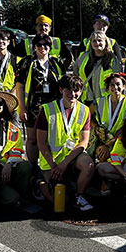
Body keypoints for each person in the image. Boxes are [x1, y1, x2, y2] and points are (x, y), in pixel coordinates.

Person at [35, 75, 94, 211]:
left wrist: (65, 163)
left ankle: (79, 196)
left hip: (71, 156)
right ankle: (39, 182)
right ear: (61, 89)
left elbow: (84, 142)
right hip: (52, 160)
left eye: (76, 90)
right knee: (59, 202)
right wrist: (54, 165)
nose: (72, 94)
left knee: (89, 165)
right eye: (68, 90)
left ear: (81, 91)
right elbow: (41, 142)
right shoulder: (47, 109)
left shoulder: (85, 110)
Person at [15, 34, 64, 173]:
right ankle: (33, 169)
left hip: (53, 107)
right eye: (39, 45)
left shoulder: (55, 63)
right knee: (32, 139)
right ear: (34, 46)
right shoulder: (27, 62)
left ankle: (48, 167)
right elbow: (19, 85)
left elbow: (63, 83)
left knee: (49, 139)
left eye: (46, 45)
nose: (43, 47)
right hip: (33, 107)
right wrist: (22, 108)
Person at [89, 73, 126, 163]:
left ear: (123, 86)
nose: (115, 87)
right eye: (112, 85)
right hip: (101, 140)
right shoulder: (99, 102)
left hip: (121, 139)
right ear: (107, 88)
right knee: (102, 155)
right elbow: (87, 115)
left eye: (118, 84)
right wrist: (95, 127)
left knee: (112, 157)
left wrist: (109, 143)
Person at [73, 31, 122, 105]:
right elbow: (75, 76)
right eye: (94, 41)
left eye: (100, 40)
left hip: (105, 100)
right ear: (90, 43)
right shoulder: (82, 57)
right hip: (86, 99)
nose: (97, 43)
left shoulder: (113, 59)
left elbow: (119, 81)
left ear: (105, 42)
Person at [0, 29, 19, 93]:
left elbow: (20, 81)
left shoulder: (17, 60)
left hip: (11, 96)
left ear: (8, 42)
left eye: (3, 39)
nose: (0, 41)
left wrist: (13, 95)